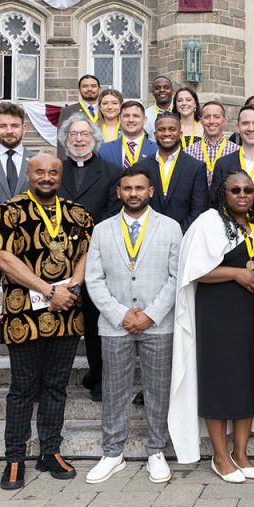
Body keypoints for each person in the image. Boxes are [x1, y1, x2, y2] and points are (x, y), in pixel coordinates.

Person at [0, 153, 93, 490]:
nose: (47, 177)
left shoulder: (78, 213)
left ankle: (50, 451)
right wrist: (49, 290)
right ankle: (14, 457)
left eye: (53, 172)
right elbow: (2, 257)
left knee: (56, 385)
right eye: (40, 172)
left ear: (61, 176)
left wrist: (71, 288)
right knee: (22, 388)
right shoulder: (8, 211)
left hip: (67, 313)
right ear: (29, 174)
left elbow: (89, 254)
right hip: (24, 315)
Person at [168, 171, 254, 482]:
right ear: (222, 194)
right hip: (218, 312)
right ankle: (220, 455)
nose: (242, 195)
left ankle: (241, 452)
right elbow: (194, 271)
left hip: (253, 311)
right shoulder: (208, 222)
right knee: (220, 380)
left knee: (249, 379)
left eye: (248, 190)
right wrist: (237, 274)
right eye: (235, 190)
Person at [83, 165, 181, 485]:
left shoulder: (170, 227)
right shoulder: (102, 229)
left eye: (140, 188)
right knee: (114, 390)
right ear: (119, 192)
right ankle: (113, 452)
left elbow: (175, 276)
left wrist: (150, 314)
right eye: (128, 188)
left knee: (158, 389)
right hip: (115, 324)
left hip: (158, 323)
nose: (134, 193)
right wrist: (120, 314)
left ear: (150, 191)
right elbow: (93, 279)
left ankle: (156, 450)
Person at [57, 116, 120, 401]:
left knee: (96, 324)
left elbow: (112, 211)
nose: (79, 139)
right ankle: (55, 379)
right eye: (73, 134)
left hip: (99, 256)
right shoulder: (55, 171)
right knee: (59, 322)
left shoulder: (111, 172)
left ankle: (99, 378)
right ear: (65, 139)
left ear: (94, 138)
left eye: (84, 134)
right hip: (57, 256)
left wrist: (88, 238)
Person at [137, 113, 209, 233]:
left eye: (172, 129)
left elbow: (199, 209)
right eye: (161, 129)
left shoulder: (196, 167)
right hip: (147, 236)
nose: (166, 133)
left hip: (184, 237)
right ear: (154, 135)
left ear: (180, 134)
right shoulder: (142, 166)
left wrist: (178, 234)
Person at [184, 100, 238, 186]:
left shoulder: (237, 151)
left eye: (216, 117)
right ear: (201, 121)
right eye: (207, 117)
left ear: (224, 121)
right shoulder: (188, 152)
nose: (211, 121)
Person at [98, 101, 155, 168]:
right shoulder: (104, 150)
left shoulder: (156, 150)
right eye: (126, 116)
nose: (131, 120)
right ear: (119, 119)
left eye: (136, 116)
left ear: (144, 120)